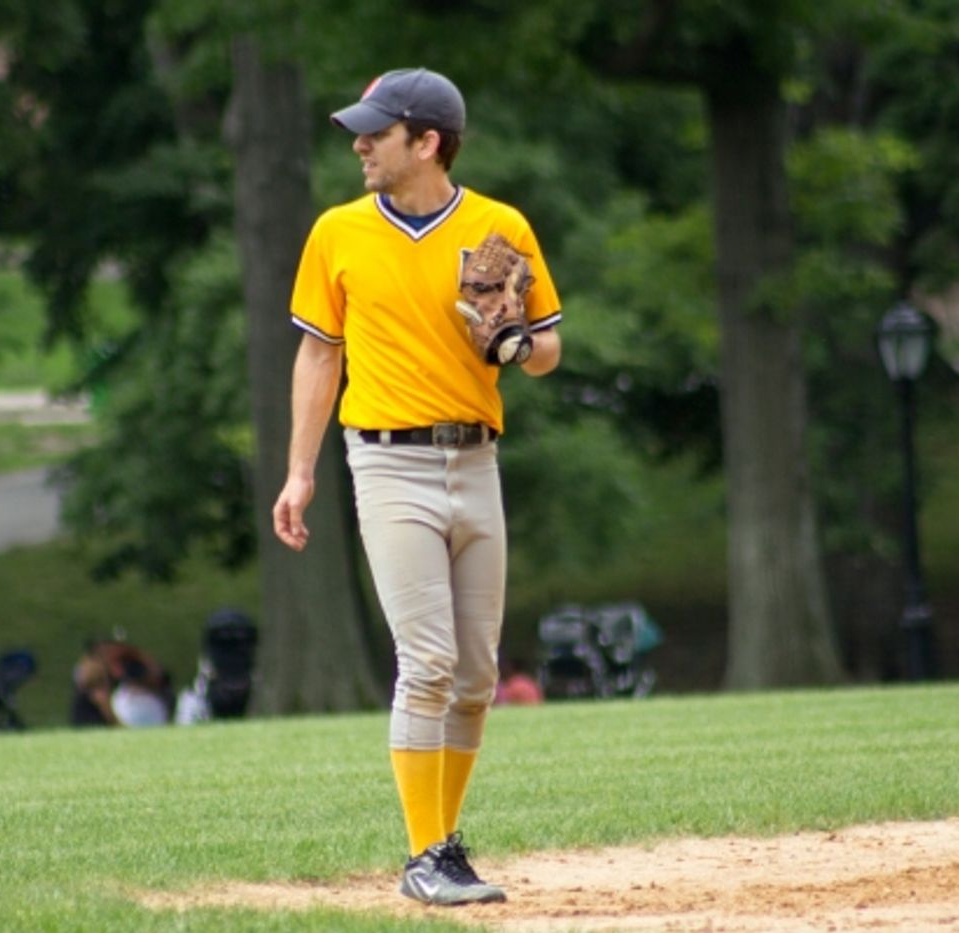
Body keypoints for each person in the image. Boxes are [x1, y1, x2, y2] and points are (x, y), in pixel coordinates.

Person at [272, 67, 562, 907]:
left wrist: (514, 347)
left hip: (477, 461)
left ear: (427, 141)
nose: (359, 144)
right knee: (428, 660)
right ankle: (424, 854)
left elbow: (549, 347)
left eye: (376, 131)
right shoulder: (338, 232)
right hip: (388, 461)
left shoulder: (499, 228)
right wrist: (298, 473)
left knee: (474, 674)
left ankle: (444, 847)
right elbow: (319, 353)